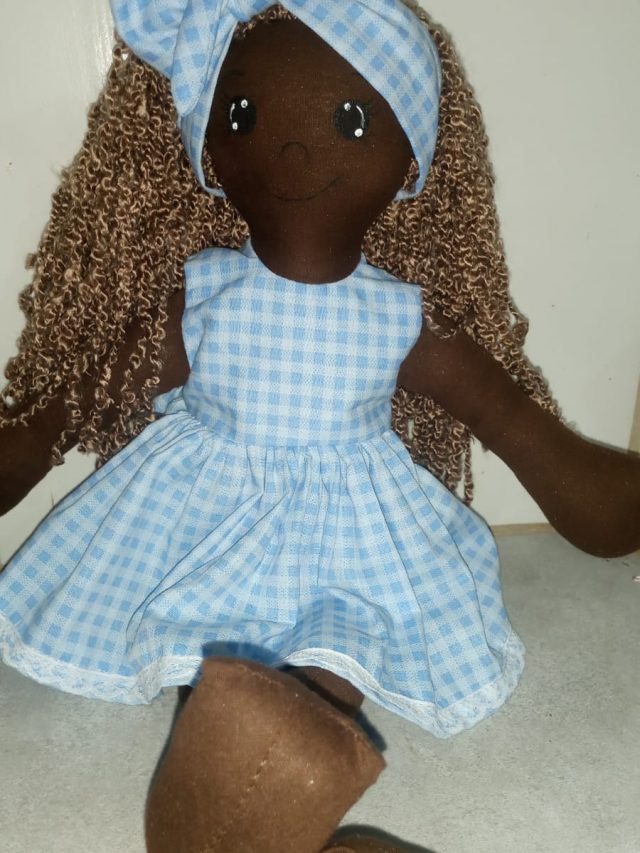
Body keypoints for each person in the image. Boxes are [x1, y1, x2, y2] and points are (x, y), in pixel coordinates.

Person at [1, 2, 638, 850]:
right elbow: (82, 400)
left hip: (351, 544)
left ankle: (255, 794)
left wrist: (594, 490)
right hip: (201, 529)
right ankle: (238, 793)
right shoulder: (204, 293)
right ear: (210, 148)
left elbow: (511, 421)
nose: (295, 150)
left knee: (331, 663)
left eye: (350, 121)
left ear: (409, 162)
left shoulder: (400, 316)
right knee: (217, 669)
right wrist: (25, 443)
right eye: (243, 115)